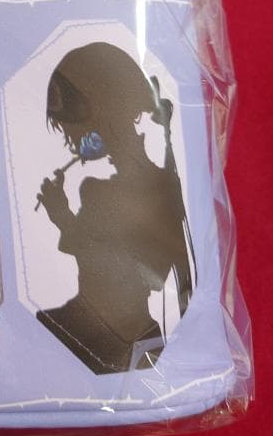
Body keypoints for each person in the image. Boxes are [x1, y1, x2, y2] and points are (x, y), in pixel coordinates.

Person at [35, 43, 195, 375]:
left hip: (119, 331)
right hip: (91, 321)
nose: (72, 141)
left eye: (75, 130)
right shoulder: (109, 188)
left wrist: (61, 213)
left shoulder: (129, 190)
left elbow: (109, 261)